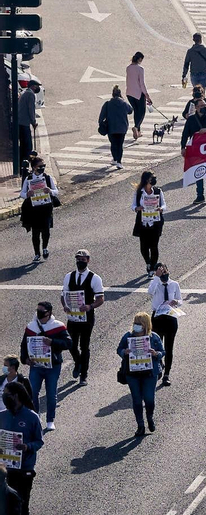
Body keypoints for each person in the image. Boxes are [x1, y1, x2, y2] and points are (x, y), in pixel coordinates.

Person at [20, 302, 68, 431]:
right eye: (38, 311)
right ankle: (36, 416)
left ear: (49, 313)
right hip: (36, 366)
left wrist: (53, 342)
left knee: (51, 394)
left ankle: (50, 420)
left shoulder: (58, 326)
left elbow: (68, 343)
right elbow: (24, 345)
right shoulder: (31, 327)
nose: (39, 313)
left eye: (42, 311)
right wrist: (25, 359)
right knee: (33, 392)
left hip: (53, 367)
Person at [59, 250, 104, 385]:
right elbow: (64, 295)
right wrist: (65, 306)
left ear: (88, 260)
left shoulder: (95, 278)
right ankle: (78, 362)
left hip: (86, 318)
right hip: (73, 317)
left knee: (84, 346)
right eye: (78, 259)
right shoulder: (69, 276)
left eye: (83, 260)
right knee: (70, 344)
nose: (80, 262)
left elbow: (100, 298)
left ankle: (83, 374)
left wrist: (90, 306)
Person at [116, 312, 165, 435]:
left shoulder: (154, 337)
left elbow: (162, 351)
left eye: (139, 324)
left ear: (145, 325)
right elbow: (119, 349)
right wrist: (124, 352)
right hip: (132, 374)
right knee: (137, 400)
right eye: (135, 323)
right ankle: (140, 425)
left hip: (149, 373)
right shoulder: (128, 336)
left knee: (149, 399)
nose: (136, 326)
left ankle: (149, 417)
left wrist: (156, 354)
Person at [1, 381, 43, 512]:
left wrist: (27, 447)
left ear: (16, 396)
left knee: (23, 504)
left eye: (7, 394)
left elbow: (39, 441)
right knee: (7, 505)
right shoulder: (2, 416)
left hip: (25, 468)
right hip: (5, 468)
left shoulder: (32, 417)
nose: (4, 397)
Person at [18, 159, 58, 264]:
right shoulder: (28, 179)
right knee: (35, 232)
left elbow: (56, 191)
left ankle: (45, 248)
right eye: (40, 166)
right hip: (34, 209)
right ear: (34, 167)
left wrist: (50, 191)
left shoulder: (47, 178)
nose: (42, 168)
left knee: (46, 230)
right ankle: (37, 253)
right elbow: (22, 193)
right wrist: (27, 194)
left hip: (46, 208)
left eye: (43, 166)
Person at [147, 264, 181, 387]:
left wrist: (177, 302)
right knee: (157, 345)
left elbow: (180, 300)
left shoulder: (174, 284)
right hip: (157, 318)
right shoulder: (156, 284)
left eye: (164, 271)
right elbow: (150, 292)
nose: (163, 273)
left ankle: (167, 374)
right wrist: (156, 277)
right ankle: (159, 365)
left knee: (169, 347)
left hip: (170, 317)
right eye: (160, 271)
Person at [179, 102, 206, 204]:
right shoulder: (191, 119)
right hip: (196, 150)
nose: (204, 107)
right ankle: (200, 195)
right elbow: (185, 134)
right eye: (201, 106)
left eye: (205, 106)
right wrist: (183, 147)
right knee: (198, 172)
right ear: (196, 107)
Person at [132, 172, 167, 275]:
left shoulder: (158, 191)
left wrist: (161, 209)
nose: (153, 180)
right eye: (152, 178)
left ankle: (152, 267)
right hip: (143, 223)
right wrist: (137, 208)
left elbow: (164, 204)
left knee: (154, 246)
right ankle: (148, 262)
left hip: (155, 222)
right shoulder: (139, 192)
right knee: (144, 246)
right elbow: (133, 206)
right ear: (146, 180)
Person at [98, 87, 133, 170]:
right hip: (122, 128)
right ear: (120, 94)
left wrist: (102, 125)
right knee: (120, 145)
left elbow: (101, 118)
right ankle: (119, 162)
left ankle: (114, 159)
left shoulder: (107, 104)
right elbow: (130, 111)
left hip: (111, 128)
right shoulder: (124, 103)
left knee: (113, 144)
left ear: (112, 94)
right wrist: (123, 100)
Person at [125, 51, 149, 140]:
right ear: (139, 59)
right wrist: (147, 95)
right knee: (142, 112)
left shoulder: (128, 68)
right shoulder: (140, 69)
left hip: (129, 93)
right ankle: (136, 127)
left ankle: (138, 132)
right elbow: (141, 83)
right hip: (138, 94)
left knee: (136, 111)